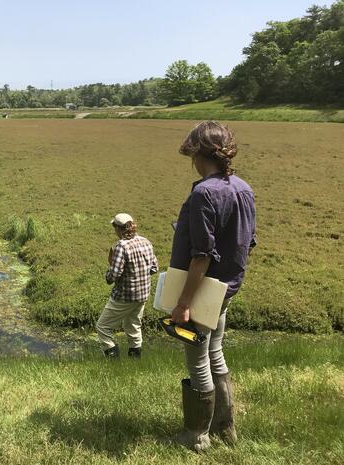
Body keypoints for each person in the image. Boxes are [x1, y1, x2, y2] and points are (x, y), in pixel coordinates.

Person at [170, 121, 256, 452]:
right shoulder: (243, 188)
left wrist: (184, 302)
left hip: (203, 292)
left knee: (197, 360)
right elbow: (248, 242)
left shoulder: (204, 193)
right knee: (215, 352)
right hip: (226, 289)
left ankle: (196, 437)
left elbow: (202, 256)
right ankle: (226, 428)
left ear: (197, 151)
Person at [96, 213, 158, 358]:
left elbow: (115, 274)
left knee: (102, 327)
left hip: (124, 296)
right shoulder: (146, 242)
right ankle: (134, 358)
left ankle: (112, 356)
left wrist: (108, 275)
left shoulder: (121, 246)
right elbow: (154, 268)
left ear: (118, 229)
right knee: (133, 326)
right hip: (142, 295)